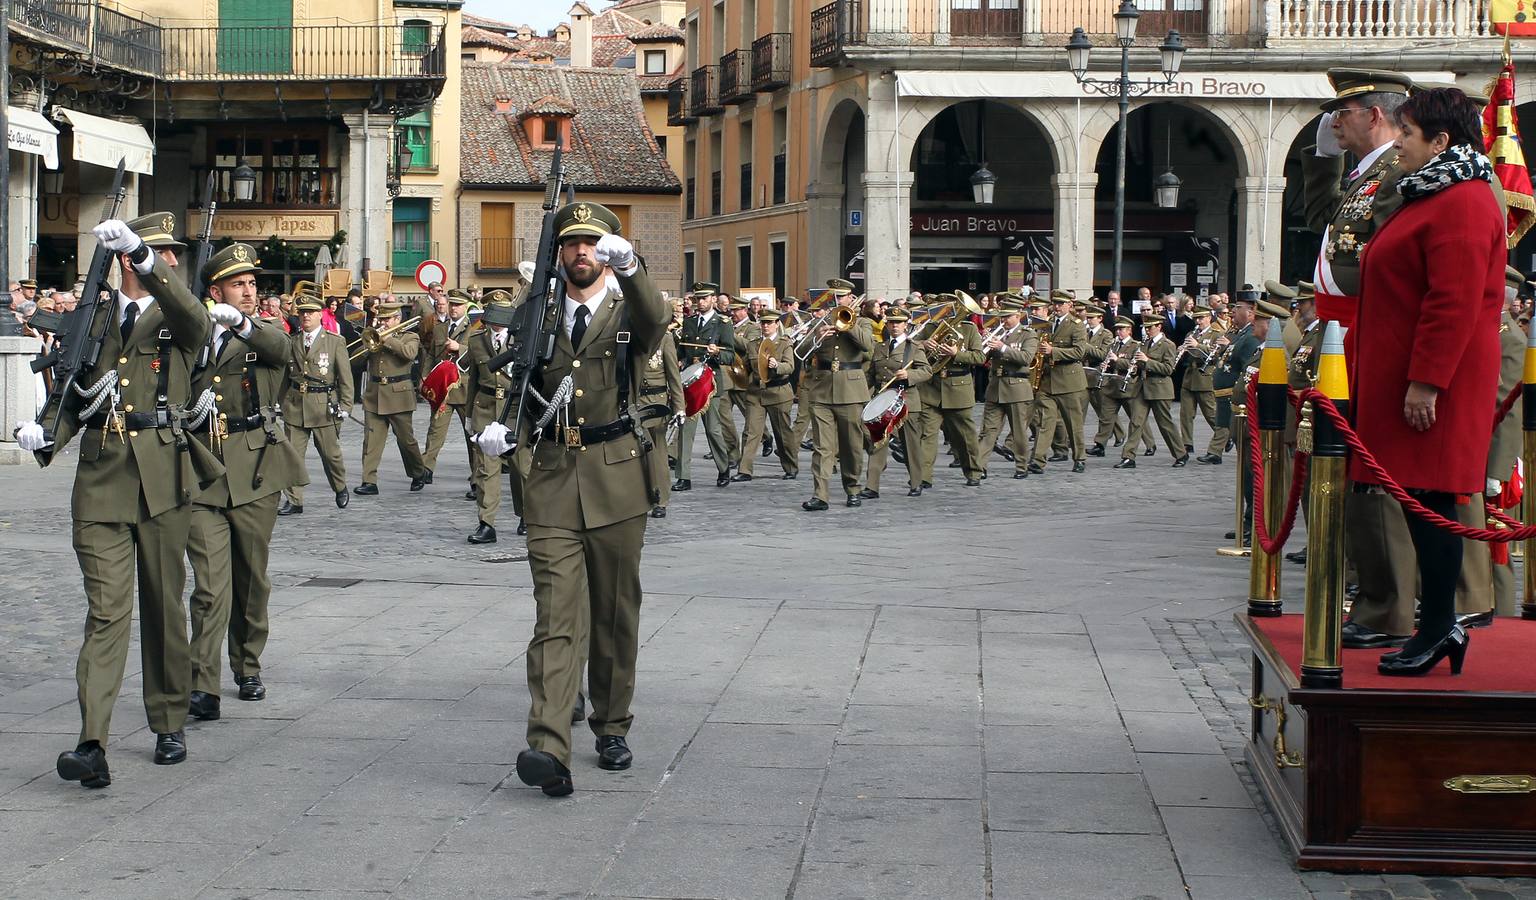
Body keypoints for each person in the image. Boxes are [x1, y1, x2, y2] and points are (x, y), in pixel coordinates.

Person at [472, 200, 669, 796]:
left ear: (606, 252)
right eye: (570, 243)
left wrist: (633, 268)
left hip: (618, 476)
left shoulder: (628, 309)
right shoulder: (537, 315)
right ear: (558, 253)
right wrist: (508, 430)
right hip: (553, 476)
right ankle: (548, 744)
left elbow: (656, 320)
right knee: (555, 617)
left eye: (592, 243)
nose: (580, 252)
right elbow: (525, 384)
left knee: (613, 612)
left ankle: (611, 724)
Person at [16, 212, 217, 784]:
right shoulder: (95, 315)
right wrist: (46, 433)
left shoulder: (179, 314)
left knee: (163, 605)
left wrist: (147, 260)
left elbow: (195, 322)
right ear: (125, 260)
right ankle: (92, 741)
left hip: (162, 478)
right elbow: (74, 383)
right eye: (162, 252)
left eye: (173, 253)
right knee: (106, 612)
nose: (174, 259)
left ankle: (168, 719)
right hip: (103, 481)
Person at [1351, 86, 1504, 676]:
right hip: (1413, 375)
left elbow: (1454, 301)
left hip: (1437, 383)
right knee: (1420, 500)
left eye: (1408, 135)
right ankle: (1436, 624)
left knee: (1432, 499)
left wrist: (1426, 383)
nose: (1399, 146)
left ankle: (1441, 625)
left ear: (1441, 141)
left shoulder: (1462, 200)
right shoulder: (1431, 193)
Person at [185, 244, 306, 722]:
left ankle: (248, 664)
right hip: (202, 469)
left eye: (253, 283)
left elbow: (283, 351)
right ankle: (202, 683)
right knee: (210, 586)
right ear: (215, 291)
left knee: (252, 579)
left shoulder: (265, 334)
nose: (250, 291)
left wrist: (242, 325)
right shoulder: (191, 335)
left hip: (255, 468)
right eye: (239, 284)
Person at [803, 278, 873, 510]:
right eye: (834, 296)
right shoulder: (820, 321)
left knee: (851, 445)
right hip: (822, 390)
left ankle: (853, 488)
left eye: (841, 297)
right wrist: (817, 336)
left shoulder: (862, 321)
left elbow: (868, 348)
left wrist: (847, 325)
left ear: (851, 299)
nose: (837, 300)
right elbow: (800, 351)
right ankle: (820, 495)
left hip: (851, 390)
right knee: (822, 447)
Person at [280, 294, 354, 514]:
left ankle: (340, 487)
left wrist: (346, 406)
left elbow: (345, 378)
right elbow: (285, 377)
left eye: (310, 312)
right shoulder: (292, 341)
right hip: (295, 405)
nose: (306, 316)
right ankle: (294, 500)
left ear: (320, 314)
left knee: (331, 455)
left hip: (323, 406)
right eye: (302, 312)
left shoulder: (334, 341)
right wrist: (280, 403)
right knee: (292, 456)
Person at [462, 291, 521, 542]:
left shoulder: (522, 339)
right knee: (486, 468)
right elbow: (473, 379)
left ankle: (526, 515)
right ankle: (486, 523)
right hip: (485, 408)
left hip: (515, 409)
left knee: (522, 468)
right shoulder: (476, 341)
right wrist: (467, 415)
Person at [354, 302, 429, 495]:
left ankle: (418, 472)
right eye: (381, 319)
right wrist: (368, 345)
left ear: (397, 319)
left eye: (387, 319)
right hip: (374, 393)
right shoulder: (373, 337)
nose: (383, 323)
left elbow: (409, 354)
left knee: (406, 440)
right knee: (371, 440)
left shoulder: (410, 336)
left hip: (399, 394)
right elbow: (354, 361)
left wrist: (386, 338)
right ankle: (369, 481)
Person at [862, 306, 930, 497]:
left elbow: (926, 371)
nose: (894, 326)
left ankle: (916, 482)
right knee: (878, 443)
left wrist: (909, 374)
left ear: (906, 324)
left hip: (906, 400)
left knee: (911, 445)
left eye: (898, 323)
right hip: (883, 402)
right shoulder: (880, 347)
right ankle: (872, 486)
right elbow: (871, 375)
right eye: (891, 323)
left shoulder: (913, 347)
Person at [674, 285, 735, 490]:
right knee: (686, 430)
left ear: (713, 299)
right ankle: (684, 476)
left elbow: (730, 355)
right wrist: (680, 361)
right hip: (690, 382)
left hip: (711, 382)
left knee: (713, 429)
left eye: (705, 298)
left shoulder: (723, 323)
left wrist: (717, 352)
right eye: (698, 299)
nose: (700, 302)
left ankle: (723, 467)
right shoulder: (690, 322)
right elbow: (682, 349)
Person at [977, 294, 1040, 480]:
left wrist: (1002, 347)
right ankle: (978, 467)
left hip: (1017, 388)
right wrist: (984, 345)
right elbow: (982, 359)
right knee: (988, 431)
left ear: (1018, 315)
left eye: (1007, 316)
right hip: (995, 387)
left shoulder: (1028, 334)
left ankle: (1021, 466)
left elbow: (1026, 359)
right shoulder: (999, 333)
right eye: (1002, 316)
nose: (1003, 320)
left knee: (1019, 431)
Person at [1030, 289, 1089, 474]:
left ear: (1069, 306)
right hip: (1048, 381)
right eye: (1054, 304)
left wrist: (1053, 351)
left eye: (1060, 304)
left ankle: (1079, 458)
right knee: (1045, 422)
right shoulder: (1047, 325)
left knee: (1073, 424)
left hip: (1069, 382)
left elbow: (1079, 352)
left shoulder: (1076, 325)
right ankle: (1038, 460)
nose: (1056, 307)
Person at [1115, 316, 1185, 469]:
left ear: (1159, 326)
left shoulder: (1168, 345)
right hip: (1143, 387)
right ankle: (1128, 456)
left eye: (1150, 327)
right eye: (1146, 328)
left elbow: (1168, 369)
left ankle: (1180, 454)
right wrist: (1135, 366)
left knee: (1165, 424)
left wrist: (1147, 361)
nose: (1147, 330)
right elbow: (1139, 363)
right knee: (1136, 421)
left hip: (1160, 388)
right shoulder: (1145, 343)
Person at [736, 310, 797, 483]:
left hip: (778, 392)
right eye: (763, 323)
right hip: (756, 393)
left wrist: (777, 365)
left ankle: (791, 466)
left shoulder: (784, 343)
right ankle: (745, 470)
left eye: (769, 323)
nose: (765, 326)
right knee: (750, 432)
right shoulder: (753, 344)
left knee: (783, 433)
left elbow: (790, 366)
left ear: (777, 323)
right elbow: (746, 365)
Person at [1180, 307, 1225, 464]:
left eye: (1201, 318)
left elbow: (1216, 354)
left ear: (1209, 318)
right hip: (1189, 377)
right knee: (1186, 414)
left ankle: (1225, 436)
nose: (1198, 322)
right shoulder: (1191, 334)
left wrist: (1198, 345)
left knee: (1211, 414)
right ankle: (1186, 444)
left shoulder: (1216, 334)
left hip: (1205, 377)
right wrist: (1182, 350)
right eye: (1196, 319)